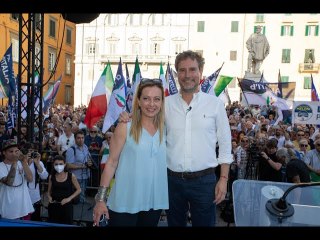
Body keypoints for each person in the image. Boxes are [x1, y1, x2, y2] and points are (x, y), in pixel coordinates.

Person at [117, 50, 232, 227]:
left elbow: (225, 145)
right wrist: (128, 117)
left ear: (200, 72)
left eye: (192, 69)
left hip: (204, 182)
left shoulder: (215, 105)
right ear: (177, 74)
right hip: (171, 181)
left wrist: (223, 180)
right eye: (183, 70)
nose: (188, 75)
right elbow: (146, 114)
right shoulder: (165, 104)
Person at [93, 78, 168, 227]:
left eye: (156, 99)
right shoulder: (125, 126)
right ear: (138, 101)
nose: (151, 104)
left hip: (153, 203)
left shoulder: (165, 128)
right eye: (146, 98)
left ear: (161, 102)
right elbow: (111, 163)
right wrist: (101, 200)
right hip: (125, 201)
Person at [0, 139, 34, 219]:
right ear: (4, 153)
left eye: (16, 151)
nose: (14, 154)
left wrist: (23, 162)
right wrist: (15, 162)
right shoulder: (1, 166)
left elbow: (30, 179)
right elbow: (9, 182)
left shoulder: (21, 163)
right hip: (9, 211)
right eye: (11, 151)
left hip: (25, 208)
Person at [47, 155, 81, 225]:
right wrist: (49, 197)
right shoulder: (51, 176)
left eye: (60, 164)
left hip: (67, 206)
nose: (58, 166)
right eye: (56, 164)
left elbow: (79, 190)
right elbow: (48, 191)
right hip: (54, 205)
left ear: (65, 164)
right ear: (53, 165)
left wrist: (69, 199)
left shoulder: (71, 176)